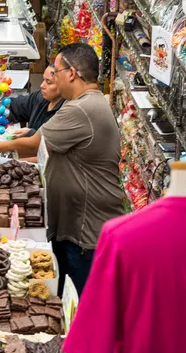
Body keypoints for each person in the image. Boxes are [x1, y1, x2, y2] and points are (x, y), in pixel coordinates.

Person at [40, 43, 125, 297]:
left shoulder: (81, 108)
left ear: (71, 73)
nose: (54, 79)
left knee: (81, 305)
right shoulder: (86, 103)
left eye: (56, 72)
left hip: (84, 238)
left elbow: (37, 143)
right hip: (77, 231)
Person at [0, 65, 64, 161]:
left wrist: (31, 133)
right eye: (43, 80)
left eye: (49, 82)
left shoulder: (67, 110)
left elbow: (49, 152)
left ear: (63, 84)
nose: (42, 85)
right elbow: (15, 106)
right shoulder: (41, 98)